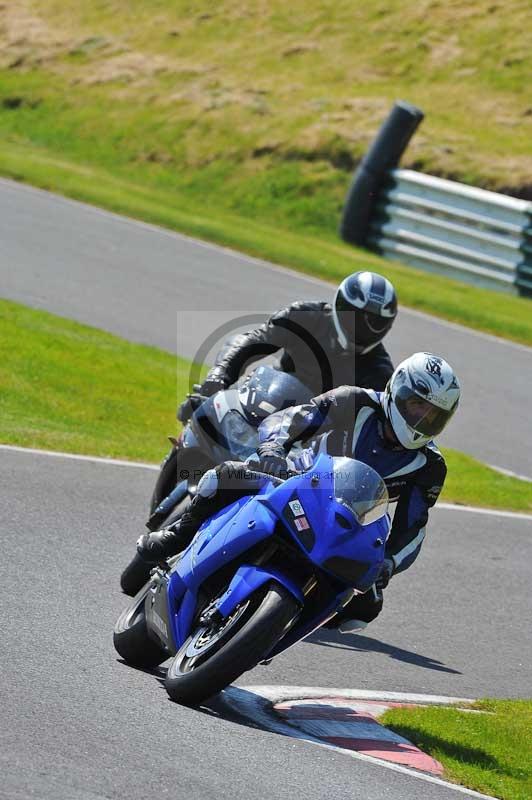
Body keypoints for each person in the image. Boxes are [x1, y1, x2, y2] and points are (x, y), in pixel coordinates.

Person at [138, 352, 460, 632]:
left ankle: (282, 625)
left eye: (434, 415)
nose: (423, 418)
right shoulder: (355, 401)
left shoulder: (430, 466)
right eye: (418, 405)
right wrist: (274, 448)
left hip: (346, 522)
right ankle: (177, 537)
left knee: (366, 606)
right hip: (296, 478)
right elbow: (296, 418)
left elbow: (413, 528)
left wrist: (388, 562)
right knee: (226, 476)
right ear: (398, 389)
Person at [178, 271, 398, 423]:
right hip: (266, 402)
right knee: (201, 408)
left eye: (376, 322)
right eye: (360, 319)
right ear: (341, 306)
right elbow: (253, 341)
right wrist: (219, 375)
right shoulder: (306, 317)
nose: (367, 328)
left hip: (311, 442)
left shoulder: (380, 372)